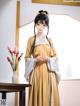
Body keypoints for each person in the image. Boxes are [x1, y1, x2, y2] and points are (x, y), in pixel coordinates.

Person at [24, 10, 60, 106]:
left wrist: (49, 58)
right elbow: (27, 57)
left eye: (44, 25)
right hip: (37, 74)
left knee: (49, 98)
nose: (41, 27)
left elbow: (56, 57)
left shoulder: (49, 40)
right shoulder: (31, 40)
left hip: (49, 74)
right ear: (35, 24)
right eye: (39, 24)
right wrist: (35, 59)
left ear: (47, 26)